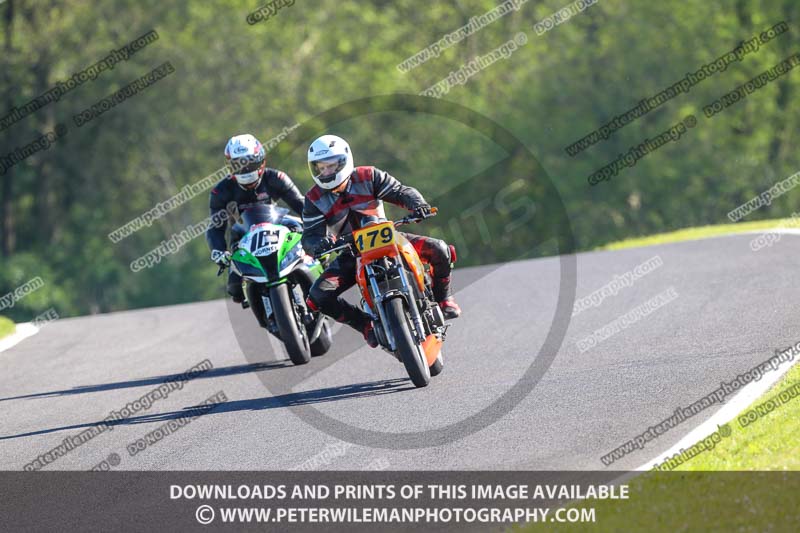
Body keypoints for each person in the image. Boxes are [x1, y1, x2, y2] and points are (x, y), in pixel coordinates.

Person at [301, 134, 460, 347]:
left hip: (389, 238)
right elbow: (310, 236)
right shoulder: (313, 199)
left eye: (330, 166)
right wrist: (318, 244)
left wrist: (417, 204)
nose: (326, 172)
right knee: (317, 296)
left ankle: (444, 299)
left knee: (440, 249)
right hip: (351, 252)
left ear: (344, 161)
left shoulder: (368, 175)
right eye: (320, 168)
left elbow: (400, 191)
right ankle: (364, 324)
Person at [206, 133, 304, 304]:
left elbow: (302, 206)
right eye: (239, 165)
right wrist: (219, 250)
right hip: (243, 241)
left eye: (250, 163)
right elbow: (215, 227)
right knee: (234, 288)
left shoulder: (276, 178)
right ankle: (263, 307)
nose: (245, 170)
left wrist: (316, 228)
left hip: (278, 232)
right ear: (230, 166)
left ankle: (315, 295)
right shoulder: (221, 191)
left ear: (261, 160)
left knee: (311, 253)